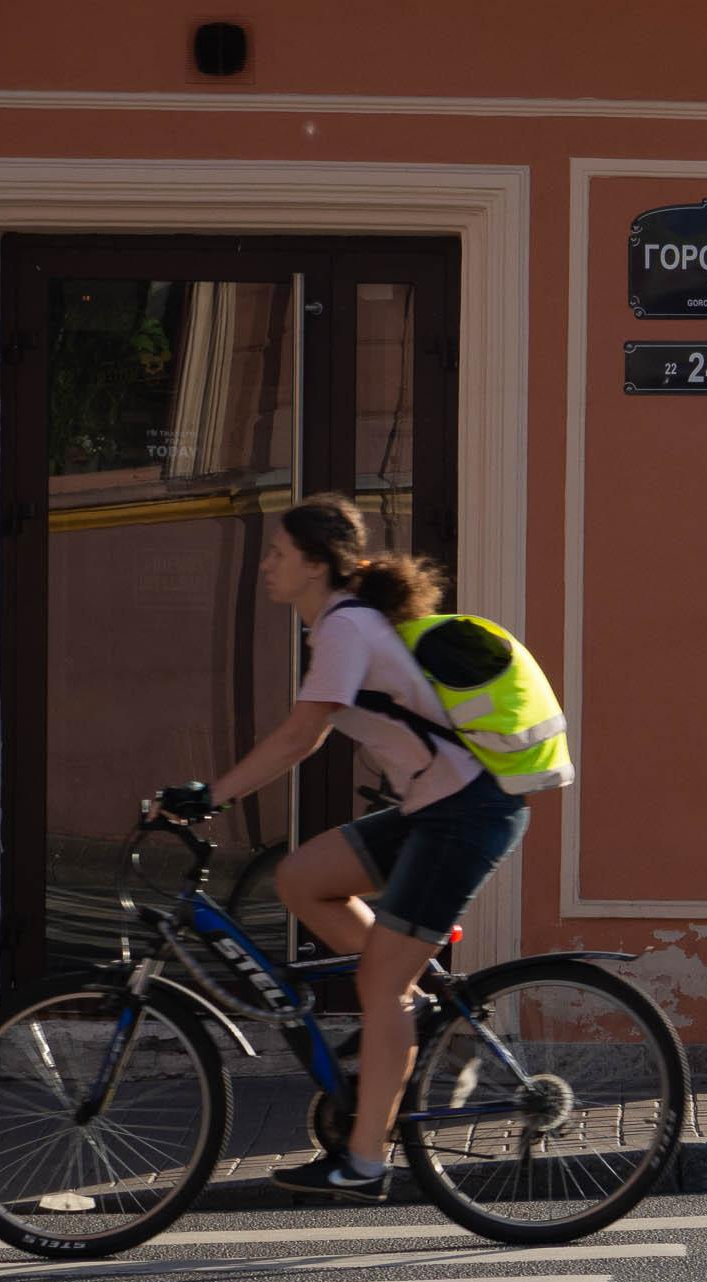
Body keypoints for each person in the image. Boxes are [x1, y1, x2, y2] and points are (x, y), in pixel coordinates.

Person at [155, 493, 530, 1203]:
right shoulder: (336, 625)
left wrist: (214, 794)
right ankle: (408, 1010)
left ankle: (363, 1162)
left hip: (467, 811)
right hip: (435, 806)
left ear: (316, 563)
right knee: (300, 879)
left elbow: (304, 736)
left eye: (277, 553)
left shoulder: (346, 627)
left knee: (379, 985)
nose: (266, 564)